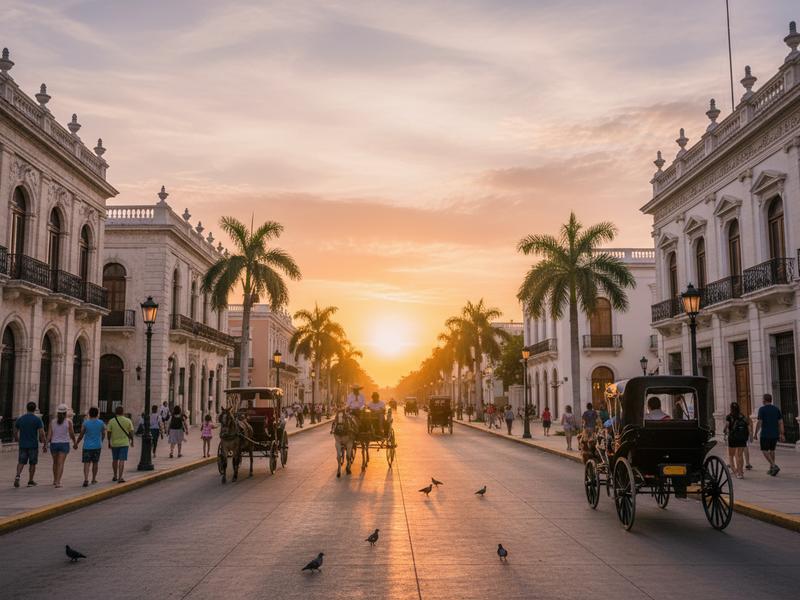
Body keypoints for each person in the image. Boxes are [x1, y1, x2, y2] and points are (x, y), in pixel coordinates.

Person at [13, 401, 47, 488]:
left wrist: (17, 439)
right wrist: (44, 443)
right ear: (35, 409)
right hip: (33, 445)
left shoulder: (20, 419)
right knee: (32, 463)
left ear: (26, 408)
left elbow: (15, 431)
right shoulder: (37, 419)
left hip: (23, 444)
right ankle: (30, 480)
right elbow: (42, 432)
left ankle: (17, 476)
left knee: (21, 461)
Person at [74, 406, 105, 487]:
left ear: (89, 413)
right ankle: (94, 479)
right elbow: (104, 433)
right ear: (97, 414)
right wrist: (101, 440)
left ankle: (86, 479)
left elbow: (81, 435)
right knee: (95, 463)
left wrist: (76, 443)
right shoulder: (101, 423)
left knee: (86, 463)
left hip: (87, 446)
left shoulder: (85, 423)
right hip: (97, 446)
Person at [754, 393, 785, 476]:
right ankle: (772, 468)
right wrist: (782, 434)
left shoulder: (762, 409)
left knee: (764, 450)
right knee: (772, 450)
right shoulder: (776, 409)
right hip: (775, 434)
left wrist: (755, 433)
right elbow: (781, 422)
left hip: (765, 434)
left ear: (764, 400)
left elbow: (760, 422)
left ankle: (774, 466)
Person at [47, 404, 76, 488]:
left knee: (55, 463)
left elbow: (49, 434)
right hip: (64, 444)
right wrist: (75, 442)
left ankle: (55, 479)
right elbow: (72, 433)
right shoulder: (69, 421)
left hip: (54, 444)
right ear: (66, 412)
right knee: (60, 463)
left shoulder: (52, 421)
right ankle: (58, 482)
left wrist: (45, 444)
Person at [107, 406, 134, 483]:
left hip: (114, 443)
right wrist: (132, 441)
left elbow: (109, 433)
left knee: (115, 460)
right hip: (124, 443)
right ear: (123, 412)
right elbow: (131, 432)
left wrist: (109, 442)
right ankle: (120, 477)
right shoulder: (128, 420)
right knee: (122, 460)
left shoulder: (111, 421)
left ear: (115, 412)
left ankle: (115, 476)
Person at [724, 402, 749, 479]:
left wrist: (724, 431)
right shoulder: (743, 416)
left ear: (731, 408)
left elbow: (727, 426)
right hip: (742, 438)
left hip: (733, 438)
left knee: (731, 456)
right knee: (740, 455)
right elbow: (748, 427)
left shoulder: (729, 416)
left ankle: (736, 472)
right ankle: (741, 473)